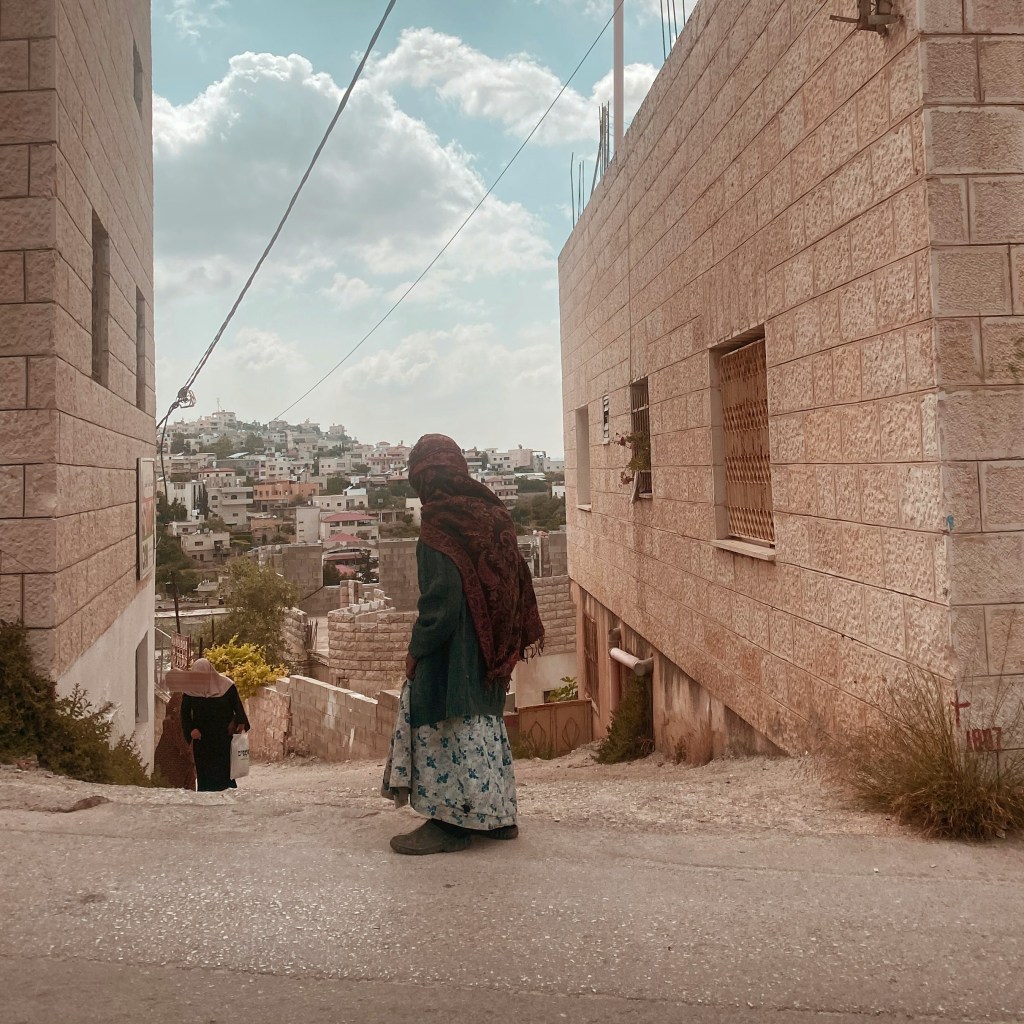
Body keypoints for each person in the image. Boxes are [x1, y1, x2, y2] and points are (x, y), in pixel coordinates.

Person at [382, 434, 545, 855]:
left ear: (424, 479)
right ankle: (497, 817)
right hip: (491, 653)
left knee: (447, 729)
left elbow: (443, 602)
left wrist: (417, 649)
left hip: (455, 656)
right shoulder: (493, 514)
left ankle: (449, 822)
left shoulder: (440, 526)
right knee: (484, 729)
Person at [179, 657, 250, 792]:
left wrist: (239, 723)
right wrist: (191, 730)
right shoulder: (190, 690)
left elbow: (238, 708)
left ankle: (227, 794)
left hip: (223, 737)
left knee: (224, 770)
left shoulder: (226, 686)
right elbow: (185, 714)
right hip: (202, 739)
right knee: (205, 772)